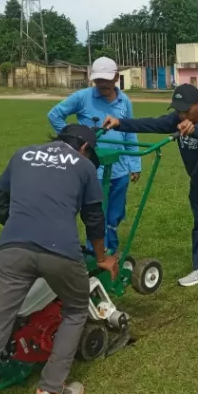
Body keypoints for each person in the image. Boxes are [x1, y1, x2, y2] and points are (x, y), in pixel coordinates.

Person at [0, 124, 118, 394]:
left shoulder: (21, 154)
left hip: (12, 249)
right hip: (61, 251)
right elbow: (94, 219)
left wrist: (23, 226)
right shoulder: (83, 166)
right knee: (75, 307)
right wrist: (102, 258)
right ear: (84, 148)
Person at [102, 83, 198, 287]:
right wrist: (119, 123)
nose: (181, 115)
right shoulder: (177, 120)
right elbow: (150, 124)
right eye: (178, 111)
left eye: (186, 110)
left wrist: (194, 128)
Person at [48, 57, 141, 254]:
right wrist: (73, 140)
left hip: (120, 168)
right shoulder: (83, 97)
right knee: (96, 214)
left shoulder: (125, 101)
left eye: (106, 80)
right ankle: (94, 253)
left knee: (115, 214)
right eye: (98, 80)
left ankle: (111, 251)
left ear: (116, 77)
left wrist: (135, 164)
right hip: (93, 170)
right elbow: (54, 115)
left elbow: (130, 133)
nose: (102, 85)